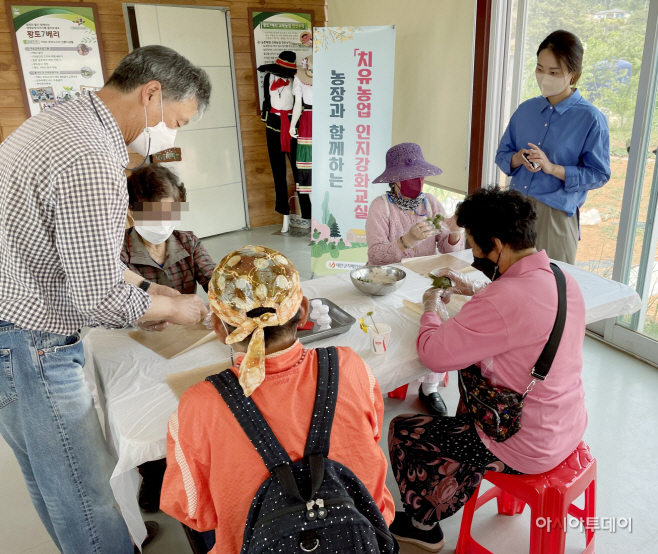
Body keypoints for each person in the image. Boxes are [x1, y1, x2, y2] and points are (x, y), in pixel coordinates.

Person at [0, 45, 210, 554]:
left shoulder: (62, 121)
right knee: (83, 491)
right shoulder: (92, 158)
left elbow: (74, 249)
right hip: (36, 344)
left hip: (12, 332)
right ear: (152, 93)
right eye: (176, 121)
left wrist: (144, 287)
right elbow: (97, 298)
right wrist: (173, 307)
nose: (170, 137)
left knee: (51, 481)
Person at [387, 188, 587, 552]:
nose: (474, 255)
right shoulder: (562, 279)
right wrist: (478, 289)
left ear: (496, 244)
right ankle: (457, 484)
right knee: (465, 413)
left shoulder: (504, 299)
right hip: (566, 423)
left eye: (476, 248)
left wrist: (431, 306)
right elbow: (520, 315)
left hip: (524, 441)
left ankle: (423, 525)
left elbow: (433, 354)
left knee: (404, 430)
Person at [160, 246, 395, 554]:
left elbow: (192, 512)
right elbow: (372, 437)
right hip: (361, 539)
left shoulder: (198, 404)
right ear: (304, 311)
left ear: (220, 328)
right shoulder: (351, 368)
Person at [122, 163, 217, 513]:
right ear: (132, 212)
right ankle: (154, 470)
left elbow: (216, 280)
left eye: (170, 211)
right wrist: (148, 315)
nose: (163, 221)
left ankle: (197, 457)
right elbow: (118, 301)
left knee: (195, 398)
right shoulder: (118, 252)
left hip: (188, 340)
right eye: (153, 212)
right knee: (144, 406)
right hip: (137, 342)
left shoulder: (187, 242)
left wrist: (221, 303)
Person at [366, 142, 464, 417]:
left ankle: (429, 387)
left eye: (420, 176)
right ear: (394, 181)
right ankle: (390, 379)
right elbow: (375, 256)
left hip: (425, 278)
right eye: (410, 178)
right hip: (389, 281)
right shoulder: (381, 207)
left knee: (440, 322)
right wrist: (405, 241)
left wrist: (454, 232)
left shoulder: (431, 202)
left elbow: (447, 249)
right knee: (396, 329)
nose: (417, 182)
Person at [495, 30, 610, 264]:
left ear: (573, 74)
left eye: (554, 72)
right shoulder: (525, 110)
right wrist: (518, 158)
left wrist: (553, 168)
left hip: (554, 215)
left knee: (551, 291)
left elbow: (599, 174)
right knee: (508, 287)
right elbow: (502, 155)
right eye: (540, 69)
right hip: (514, 211)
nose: (544, 77)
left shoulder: (590, 118)